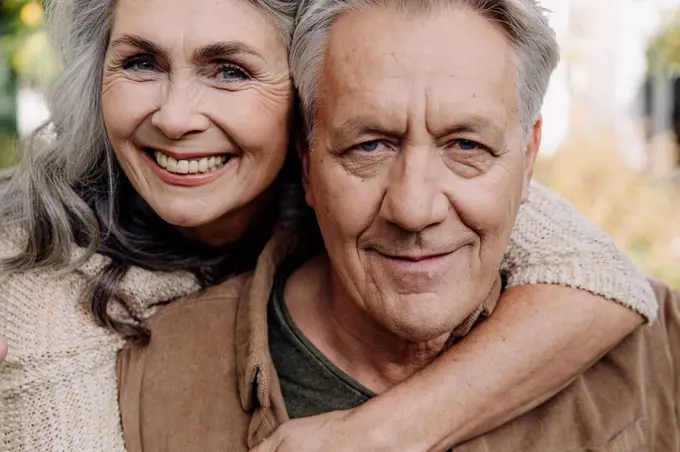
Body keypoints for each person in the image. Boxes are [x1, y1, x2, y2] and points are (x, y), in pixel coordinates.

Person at [0, 0, 658, 450]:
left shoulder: (371, 170)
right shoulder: (45, 287)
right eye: (140, 62)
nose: (175, 116)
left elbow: (596, 273)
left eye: (228, 69)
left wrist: (386, 431)